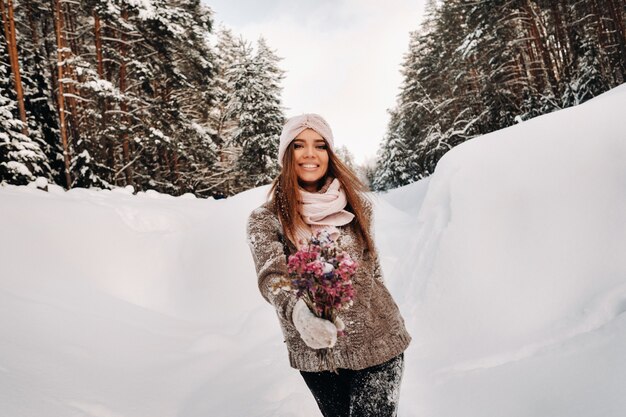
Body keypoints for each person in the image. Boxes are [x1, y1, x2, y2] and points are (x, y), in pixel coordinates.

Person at [246, 113, 411, 417]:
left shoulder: (357, 207)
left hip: (378, 343)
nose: (310, 154)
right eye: (299, 146)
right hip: (318, 355)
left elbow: (373, 271)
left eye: (320, 146)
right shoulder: (266, 219)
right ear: (286, 154)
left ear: (329, 154)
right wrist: (299, 314)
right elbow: (272, 277)